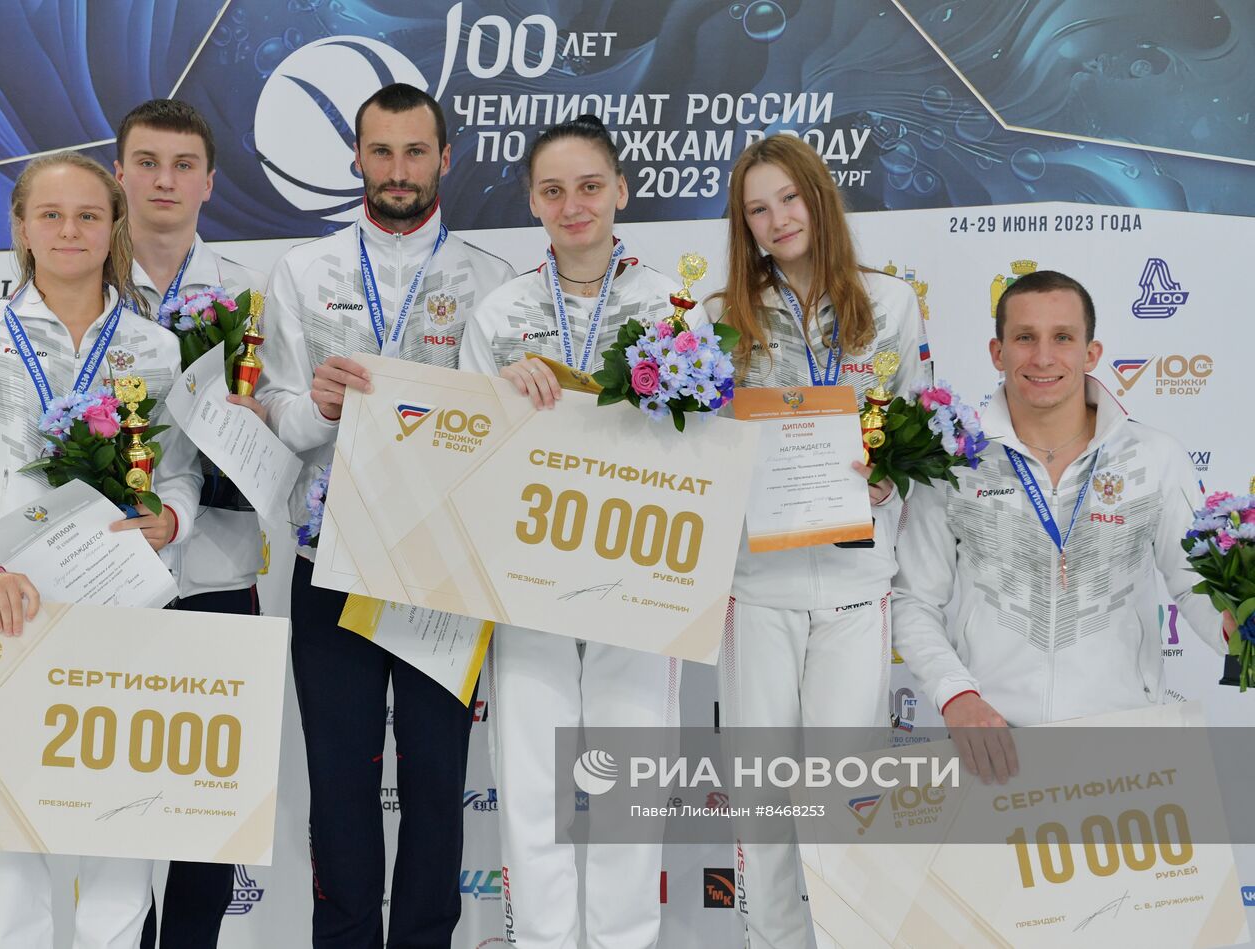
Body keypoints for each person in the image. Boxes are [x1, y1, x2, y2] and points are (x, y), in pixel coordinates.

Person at [0, 151, 199, 949]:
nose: (69, 230)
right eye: (51, 215)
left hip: (128, 611)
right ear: (22, 228)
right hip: (9, 609)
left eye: (87, 215)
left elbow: (179, 476)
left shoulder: (154, 345)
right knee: (8, 840)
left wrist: (173, 519)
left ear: (114, 228)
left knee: (122, 837)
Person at [255, 82, 512, 948]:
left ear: (446, 158)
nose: (397, 170)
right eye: (380, 151)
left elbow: (512, 442)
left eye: (415, 151)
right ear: (355, 159)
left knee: (440, 777)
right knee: (338, 777)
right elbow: (276, 417)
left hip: (446, 565)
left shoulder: (494, 282)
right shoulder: (302, 272)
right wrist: (315, 406)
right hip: (328, 555)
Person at [458, 114, 682, 949]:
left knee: (630, 786)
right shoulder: (501, 311)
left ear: (621, 191)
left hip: (642, 565)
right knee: (528, 781)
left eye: (590, 186)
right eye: (553, 190)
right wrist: (497, 396)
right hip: (530, 572)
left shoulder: (676, 306)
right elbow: (469, 448)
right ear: (532, 201)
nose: (573, 204)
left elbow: (713, 442)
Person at [705, 132, 931, 948]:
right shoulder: (716, 319)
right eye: (757, 209)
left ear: (819, 196)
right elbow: (692, 448)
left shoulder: (893, 304)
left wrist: (886, 474)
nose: (776, 219)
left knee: (846, 808)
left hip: (853, 588)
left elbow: (924, 434)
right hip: (755, 588)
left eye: (788, 199)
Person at [892, 269, 1231, 777]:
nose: (1043, 358)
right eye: (1025, 337)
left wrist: (1237, 628)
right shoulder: (952, 463)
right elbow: (913, 599)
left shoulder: (1155, 456)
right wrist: (955, 694)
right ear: (997, 351)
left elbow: (1192, 583)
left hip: (1126, 744)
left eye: (1063, 338)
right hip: (994, 749)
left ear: (1091, 353)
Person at [114, 97, 267, 949]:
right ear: (121, 172)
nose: (164, 180)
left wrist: (263, 418)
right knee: (118, 790)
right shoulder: (76, 288)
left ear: (209, 182)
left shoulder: (247, 293)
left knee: (207, 799)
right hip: (105, 578)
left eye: (182, 165)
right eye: (147, 162)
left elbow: (280, 423)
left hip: (216, 569)